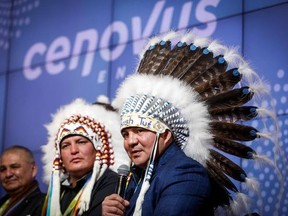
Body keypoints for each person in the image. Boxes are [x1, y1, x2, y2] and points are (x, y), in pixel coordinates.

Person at [102, 31, 280, 215]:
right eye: (126, 133)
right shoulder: (134, 179)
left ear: (166, 134)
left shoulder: (186, 174)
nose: (130, 141)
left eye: (140, 130)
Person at [41, 97, 129, 216]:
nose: (73, 150)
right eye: (66, 145)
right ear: (59, 155)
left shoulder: (112, 183)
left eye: (81, 142)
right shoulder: (56, 191)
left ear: (98, 149)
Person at [0, 145, 46, 216]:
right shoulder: (3, 204)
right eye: (3, 169)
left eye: (14, 167)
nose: (8, 174)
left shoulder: (45, 206)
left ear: (33, 169)